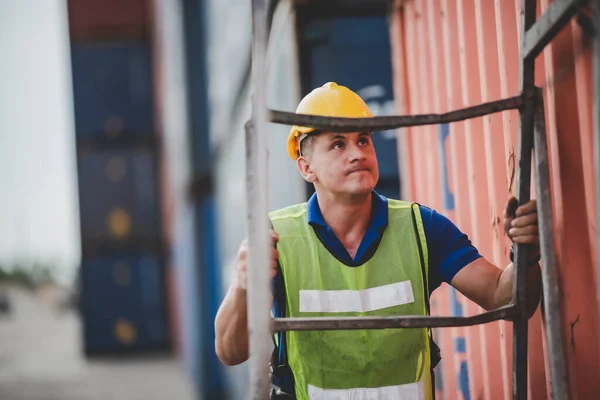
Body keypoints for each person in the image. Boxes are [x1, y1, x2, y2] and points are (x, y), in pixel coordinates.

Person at [214, 82, 542, 400]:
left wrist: (524, 252)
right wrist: (244, 285)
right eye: (338, 144)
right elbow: (230, 351)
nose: (357, 153)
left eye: (363, 140)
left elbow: (504, 297)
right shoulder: (276, 239)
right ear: (306, 167)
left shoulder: (422, 227)